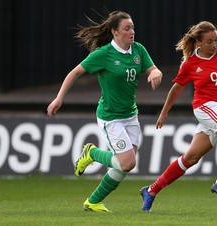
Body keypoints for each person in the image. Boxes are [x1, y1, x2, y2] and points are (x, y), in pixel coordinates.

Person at [140, 21, 217, 211]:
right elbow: (176, 89)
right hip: (204, 107)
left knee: (190, 158)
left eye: (215, 40)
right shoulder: (190, 63)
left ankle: (151, 190)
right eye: (209, 41)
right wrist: (164, 112)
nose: (215, 44)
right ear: (198, 42)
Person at [46, 11, 163, 212]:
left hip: (130, 115)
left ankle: (93, 201)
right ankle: (91, 152)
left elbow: (152, 69)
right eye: (127, 28)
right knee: (126, 163)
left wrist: (155, 74)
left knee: (124, 166)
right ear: (114, 32)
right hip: (111, 117)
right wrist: (59, 98)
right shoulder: (104, 54)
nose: (132, 31)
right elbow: (75, 72)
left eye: (132, 27)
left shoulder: (138, 50)